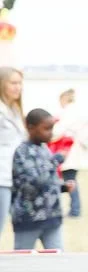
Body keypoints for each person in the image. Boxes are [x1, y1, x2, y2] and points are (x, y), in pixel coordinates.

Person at [11, 109, 74, 250]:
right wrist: (56, 160)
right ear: (30, 128)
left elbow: (49, 180)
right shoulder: (23, 151)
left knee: (58, 259)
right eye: (46, 129)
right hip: (28, 219)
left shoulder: (44, 149)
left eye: (52, 128)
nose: (50, 133)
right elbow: (34, 181)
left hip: (52, 217)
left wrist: (62, 187)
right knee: (21, 260)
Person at [51, 89, 88, 217]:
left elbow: (58, 131)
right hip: (76, 151)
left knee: (69, 180)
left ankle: (75, 210)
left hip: (69, 152)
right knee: (71, 179)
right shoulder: (79, 112)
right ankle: (74, 209)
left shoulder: (67, 113)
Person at [0, 67, 27, 241]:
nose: (18, 87)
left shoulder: (16, 111)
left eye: (20, 83)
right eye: (13, 83)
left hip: (14, 176)